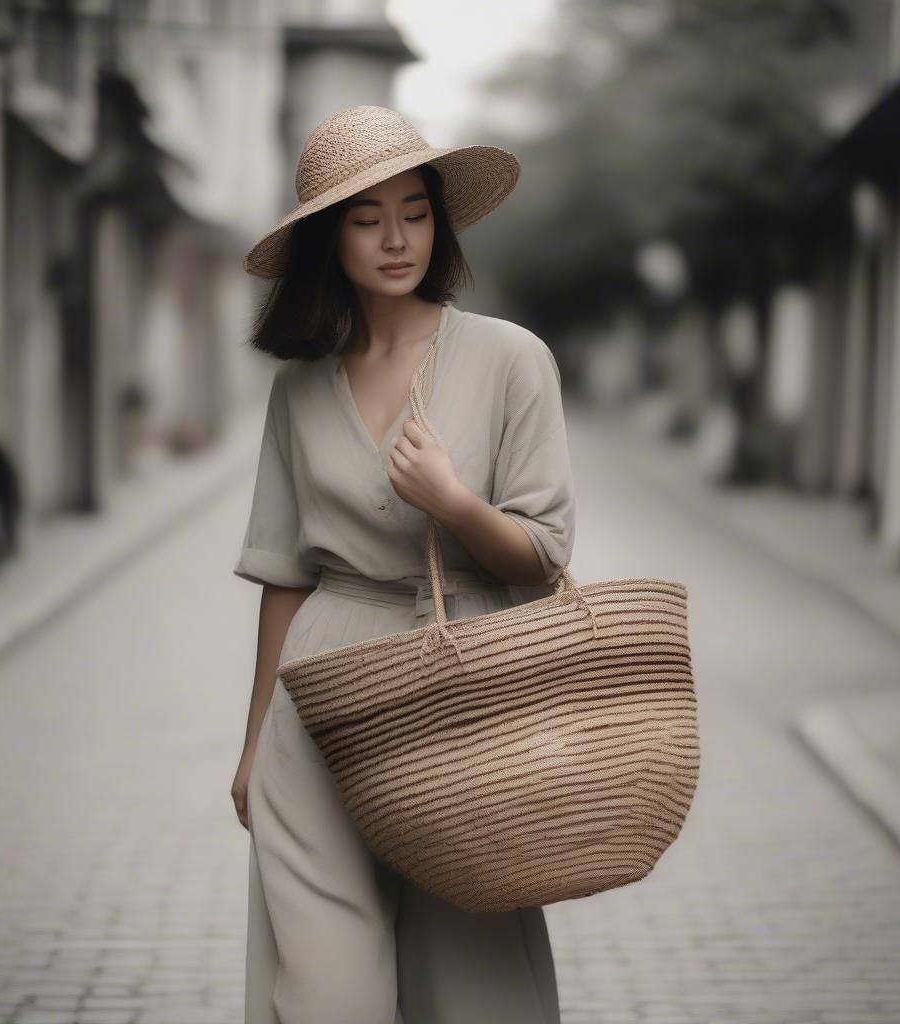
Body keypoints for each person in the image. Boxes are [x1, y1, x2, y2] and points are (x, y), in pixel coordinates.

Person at [229, 105, 575, 1024]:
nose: (396, 239)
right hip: (321, 695)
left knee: (473, 982)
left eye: (415, 211)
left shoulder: (510, 359)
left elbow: (543, 560)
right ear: (324, 238)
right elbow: (284, 573)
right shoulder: (298, 387)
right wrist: (256, 738)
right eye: (364, 216)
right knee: (324, 983)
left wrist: (455, 503)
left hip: (464, 690)